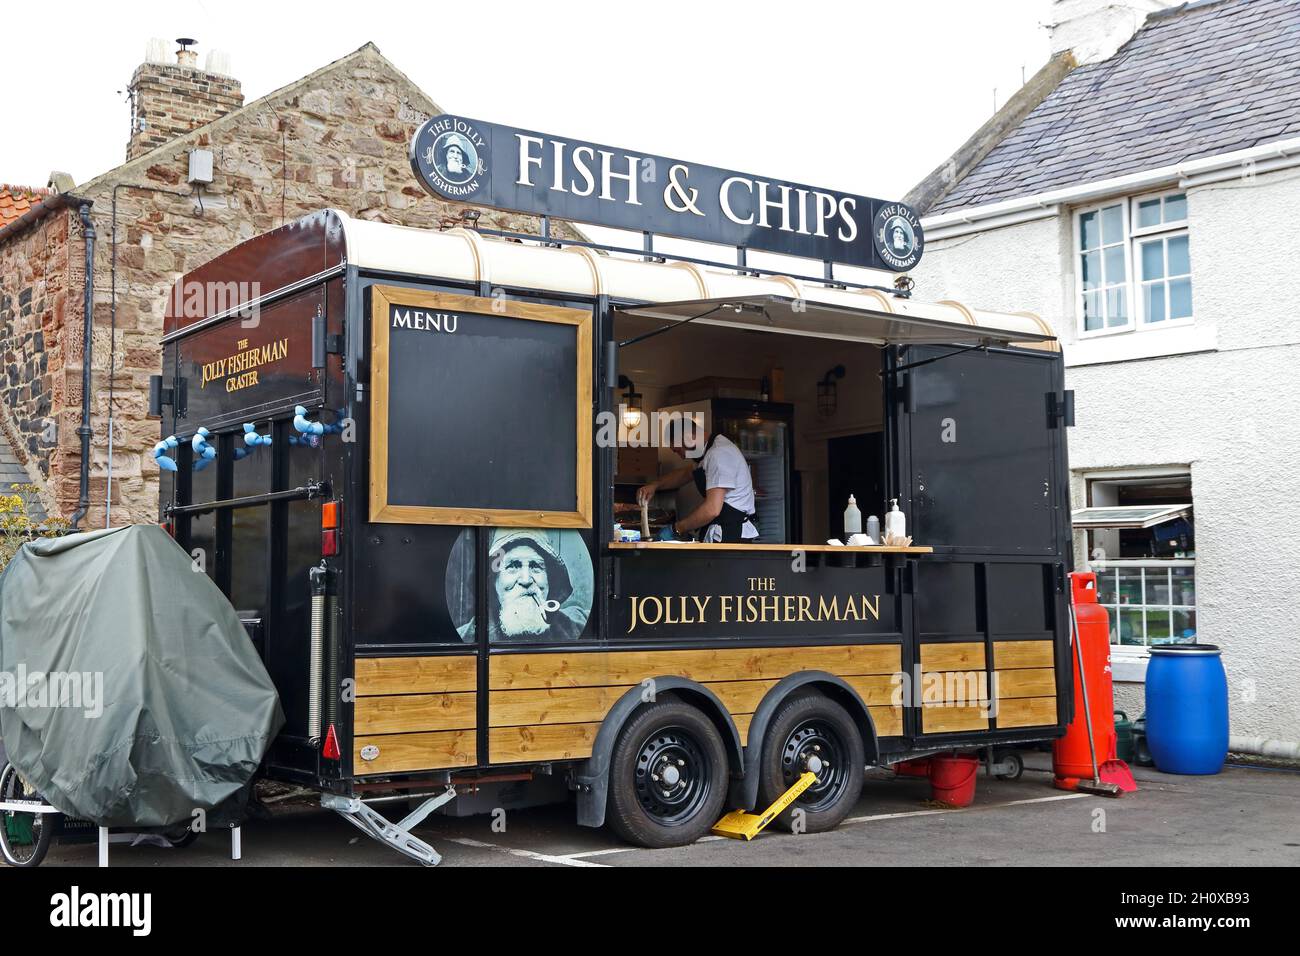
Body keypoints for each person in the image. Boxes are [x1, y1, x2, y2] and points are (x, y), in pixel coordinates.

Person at [637, 416, 759, 543]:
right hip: (722, 532)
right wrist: (655, 485)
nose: (682, 457)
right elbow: (685, 474)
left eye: (679, 451)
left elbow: (712, 509)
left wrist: (676, 529)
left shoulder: (719, 455)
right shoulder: (707, 453)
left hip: (732, 536)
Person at [457, 529, 585, 643]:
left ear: (550, 580)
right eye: (513, 566)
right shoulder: (465, 639)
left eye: (535, 566)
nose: (526, 580)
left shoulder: (576, 628)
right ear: (493, 581)